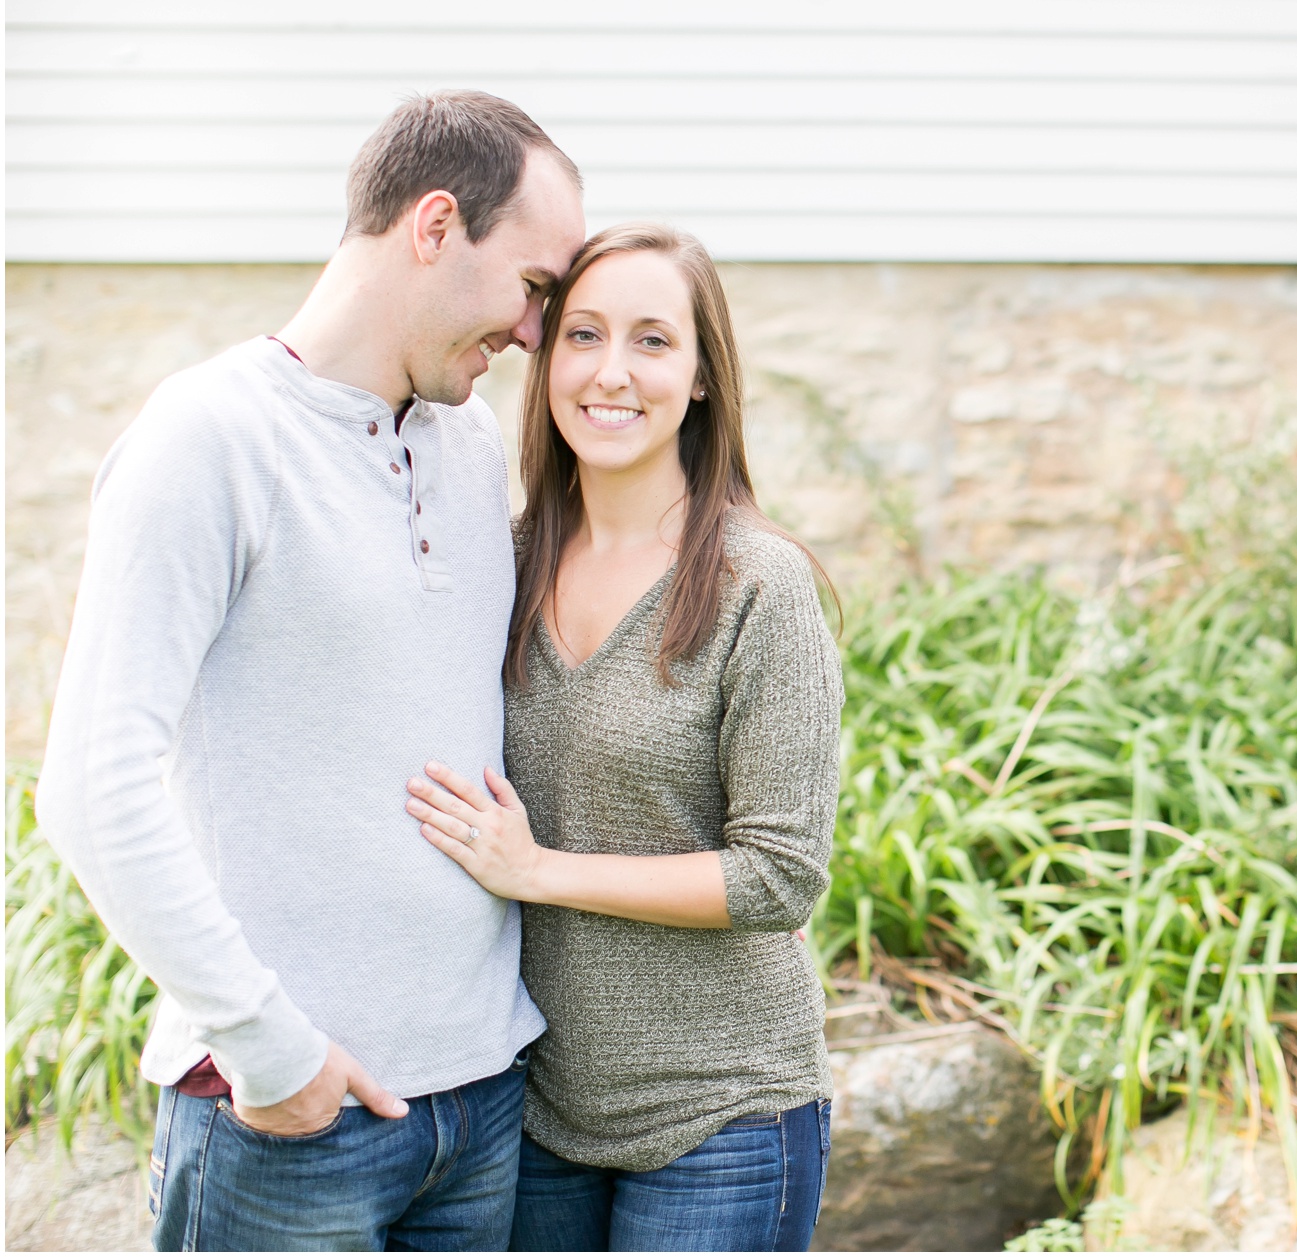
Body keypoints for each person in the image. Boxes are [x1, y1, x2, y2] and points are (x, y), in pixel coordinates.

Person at [35, 91, 587, 1251]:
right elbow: (92, 783)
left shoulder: (468, 441)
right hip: (290, 1123)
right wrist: (269, 1049)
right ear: (434, 225)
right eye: (533, 287)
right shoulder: (208, 438)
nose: (536, 336)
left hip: (481, 1103)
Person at [400, 223, 842, 1252]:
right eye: (583, 335)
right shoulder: (500, 565)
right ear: (543, 360)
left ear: (698, 378)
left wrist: (538, 871)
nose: (610, 372)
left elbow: (780, 878)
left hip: (725, 1113)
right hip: (541, 1108)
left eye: (652, 341)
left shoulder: (757, 584)